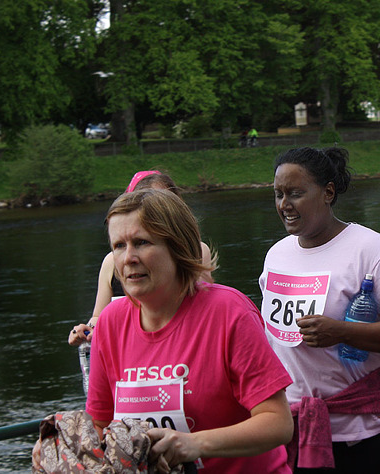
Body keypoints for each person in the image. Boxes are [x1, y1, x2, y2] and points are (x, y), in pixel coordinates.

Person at [260, 147, 380, 473]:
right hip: (300, 432)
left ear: (328, 192)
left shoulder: (368, 248)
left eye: (296, 193)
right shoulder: (276, 255)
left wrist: (342, 332)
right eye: (278, 194)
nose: (284, 205)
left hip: (369, 434)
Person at [86, 188, 293, 473]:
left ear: (178, 246)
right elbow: (99, 425)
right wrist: (64, 447)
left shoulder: (228, 311)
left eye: (141, 242)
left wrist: (195, 444)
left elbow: (279, 423)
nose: (128, 258)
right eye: (119, 246)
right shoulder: (110, 322)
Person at [68, 170, 214, 346]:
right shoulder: (111, 262)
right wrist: (86, 331)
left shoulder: (198, 250)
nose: (129, 258)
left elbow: (202, 307)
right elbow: (99, 316)